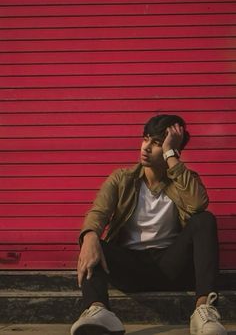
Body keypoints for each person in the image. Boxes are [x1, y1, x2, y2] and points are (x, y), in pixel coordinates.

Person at [71, 114, 227, 335]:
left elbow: (198, 204)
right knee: (92, 240)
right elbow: (98, 212)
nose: (145, 147)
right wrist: (89, 236)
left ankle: (204, 310)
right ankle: (99, 311)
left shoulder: (183, 180)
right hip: (130, 266)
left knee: (205, 219)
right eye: (145, 139)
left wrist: (171, 154)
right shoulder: (122, 178)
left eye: (156, 143)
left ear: (169, 150)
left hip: (171, 265)